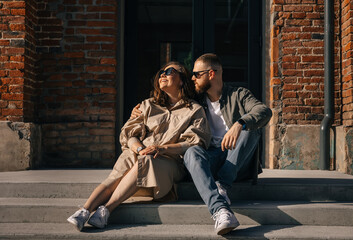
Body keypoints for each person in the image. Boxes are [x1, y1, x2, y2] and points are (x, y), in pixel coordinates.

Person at [131, 53, 272, 235]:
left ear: (211, 74)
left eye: (197, 74)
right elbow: (169, 103)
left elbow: (264, 111)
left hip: (238, 161)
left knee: (251, 129)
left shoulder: (239, 94)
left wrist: (239, 124)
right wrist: (140, 110)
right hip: (211, 158)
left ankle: (222, 185)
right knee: (191, 152)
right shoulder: (196, 101)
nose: (192, 78)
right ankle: (221, 211)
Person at [67, 61, 210, 231]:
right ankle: (84, 210)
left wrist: (161, 148)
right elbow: (129, 134)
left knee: (148, 160)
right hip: (141, 153)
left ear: (181, 80)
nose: (163, 74)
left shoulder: (194, 110)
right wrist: (140, 149)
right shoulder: (147, 105)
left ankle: (107, 209)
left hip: (168, 163)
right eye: (161, 72)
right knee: (124, 164)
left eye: (170, 71)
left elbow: (194, 142)